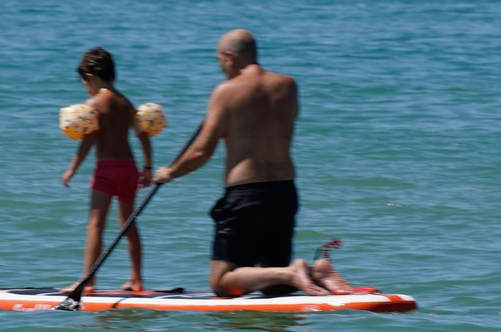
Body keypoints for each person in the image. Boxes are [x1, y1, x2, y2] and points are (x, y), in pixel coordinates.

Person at [153, 29, 357, 297]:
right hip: (284, 191)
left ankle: (291, 271)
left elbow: (202, 151)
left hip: (245, 195)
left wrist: (170, 172)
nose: (221, 69)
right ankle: (310, 272)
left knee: (222, 282)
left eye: (219, 62)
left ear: (230, 57)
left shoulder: (226, 92)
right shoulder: (288, 86)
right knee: (274, 287)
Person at [61, 47, 153, 293]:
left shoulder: (94, 105)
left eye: (84, 82)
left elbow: (88, 141)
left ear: (91, 77)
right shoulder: (126, 103)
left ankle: (87, 282)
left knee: (95, 225)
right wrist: (147, 168)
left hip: (107, 170)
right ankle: (137, 279)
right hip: (129, 169)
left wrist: (71, 170)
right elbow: (143, 136)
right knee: (128, 224)